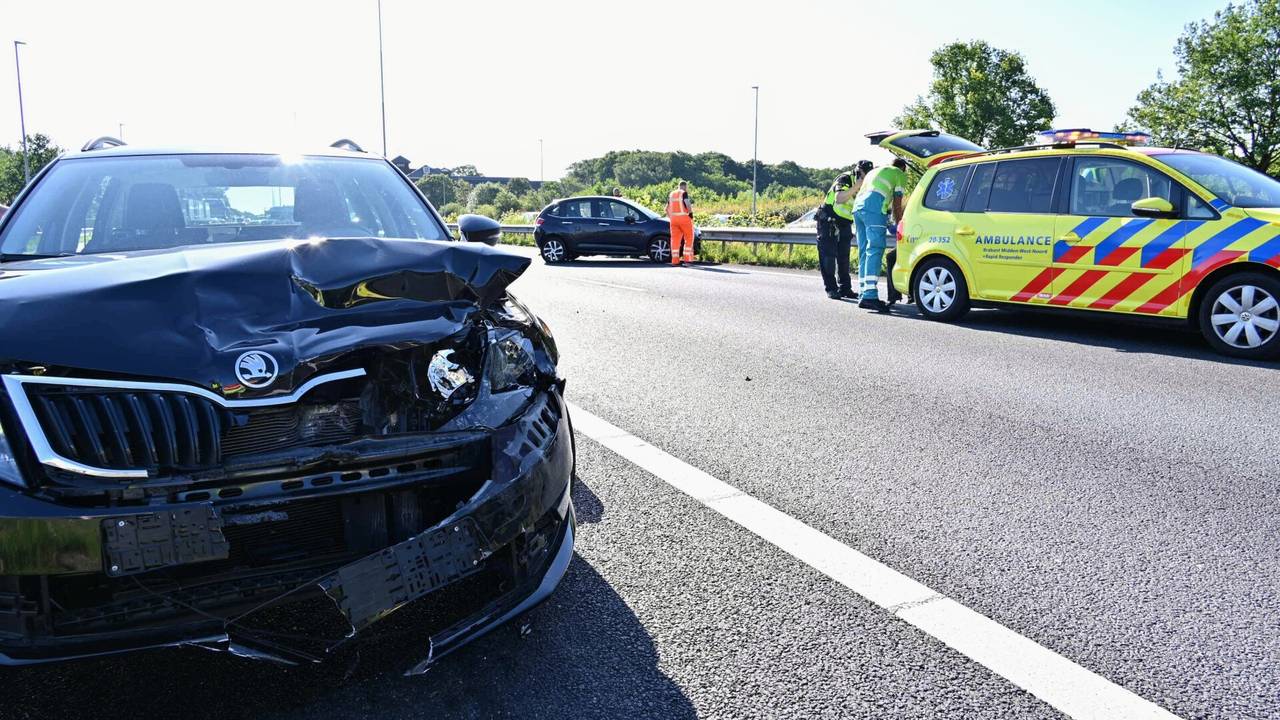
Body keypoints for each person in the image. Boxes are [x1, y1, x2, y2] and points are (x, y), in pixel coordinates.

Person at [852, 157, 909, 311]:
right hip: (873, 208)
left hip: (858, 208)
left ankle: (863, 292)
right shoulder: (900, 174)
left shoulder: (877, 171)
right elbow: (897, 203)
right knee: (875, 249)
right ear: (903, 167)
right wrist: (900, 224)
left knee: (864, 251)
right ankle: (870, 296)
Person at [814, 169, 862, 299]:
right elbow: (839, 198)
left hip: (845, 223)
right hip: (828, 221)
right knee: (828, 258)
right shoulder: (845, 179)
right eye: (864, 175)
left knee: (844, 258)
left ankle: (845, 288)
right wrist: (857, 186)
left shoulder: (866, 183)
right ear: (859, 173)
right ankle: (831, 288)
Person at [667, 180, 695, 265]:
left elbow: (666, 209)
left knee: (675, 240)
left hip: (674, 220)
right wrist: (690, 214)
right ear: (684, 186)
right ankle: (687, 260)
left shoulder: (671, 194)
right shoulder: (683, 193)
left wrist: (671, 217)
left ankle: (675, 261)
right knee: (689, 238)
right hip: (684, 218)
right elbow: (687, 204)